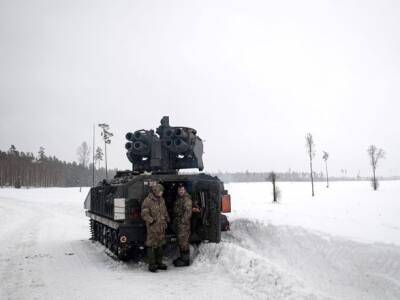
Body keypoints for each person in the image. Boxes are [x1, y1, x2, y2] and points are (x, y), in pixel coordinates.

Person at [141, 183, 170, 272]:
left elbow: (164, 211)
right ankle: (152, 264)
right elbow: (144, 214)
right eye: (160, 191)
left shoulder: (162, 200)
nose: (161, 193)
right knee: (151, 245)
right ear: (155, 191)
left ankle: (159, 263)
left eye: (162, 191)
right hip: (153, 227)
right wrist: (151, 221)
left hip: (161, 226)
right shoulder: (148, 201)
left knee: (160, 244)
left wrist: (167, 218)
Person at [173, 184, 196, 267]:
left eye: (182, 190)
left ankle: (185, 260)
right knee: (181, 240)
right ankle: (182, 258)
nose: (181, 191)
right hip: (179, 223)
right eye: (179, 190)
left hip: (184, 224)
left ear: (185, 190)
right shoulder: (179, 198)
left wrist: (183, 221)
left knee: (184, 242)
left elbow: (188, 213)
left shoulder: (187, 200)